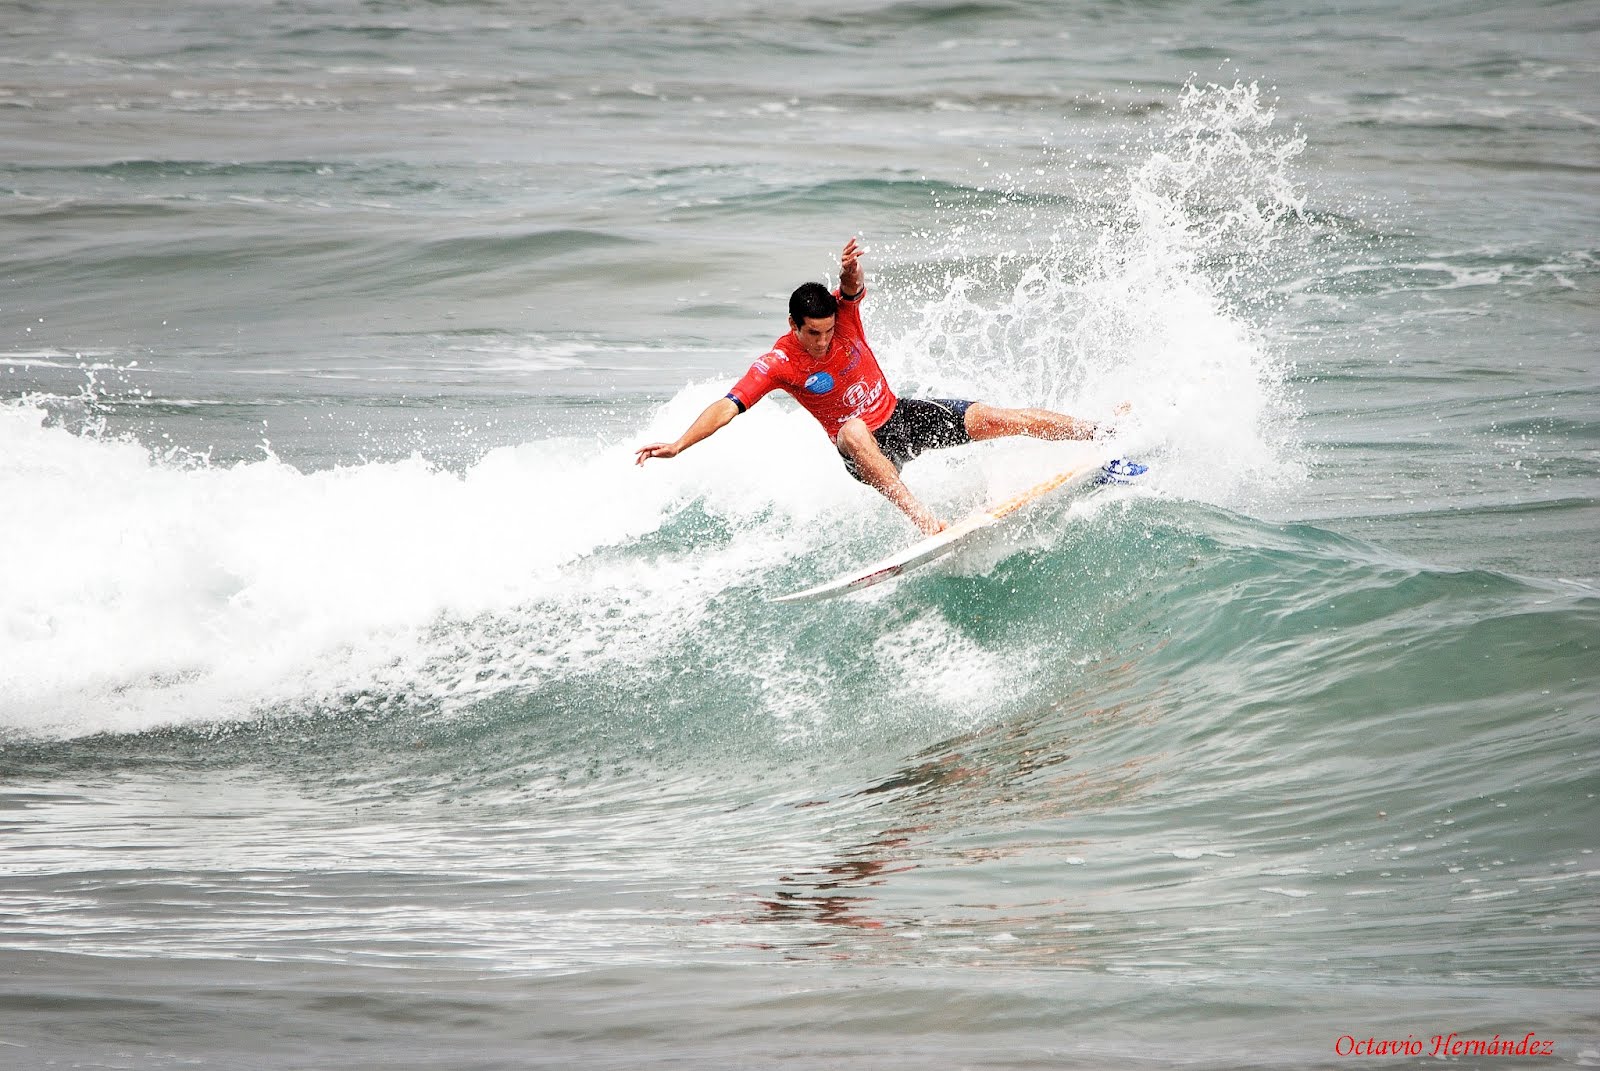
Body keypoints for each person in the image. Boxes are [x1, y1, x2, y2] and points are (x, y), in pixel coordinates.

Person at [634, 238, 1115, 535]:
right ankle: (926, 524)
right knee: (851, 429)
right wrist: (678, 444)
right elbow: (728, 405)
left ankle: (1101, 433)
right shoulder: (777, 364)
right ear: (793, 324)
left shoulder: (843, 317)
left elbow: (851, 287)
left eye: (829, 331)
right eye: (813, 333)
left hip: (900, 418)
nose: (824, 341)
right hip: (861, 451)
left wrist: (849, 271)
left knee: (994, 417)